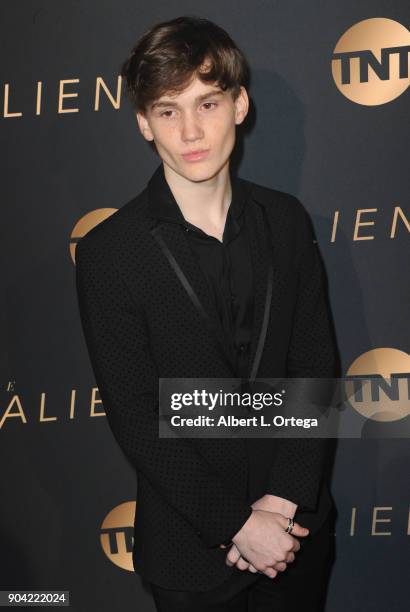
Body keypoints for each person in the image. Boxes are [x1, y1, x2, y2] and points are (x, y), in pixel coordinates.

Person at [75, 15, 339, 611]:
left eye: (208, 103)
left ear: (240, 105)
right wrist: (240, 525)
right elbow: (137, 413)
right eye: (168, 111)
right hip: (190, 552)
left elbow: (314, 364)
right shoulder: (110, 252)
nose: (191, 131)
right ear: (144, 123)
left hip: (296, 535)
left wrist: (282, 502)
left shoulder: (287, 222)